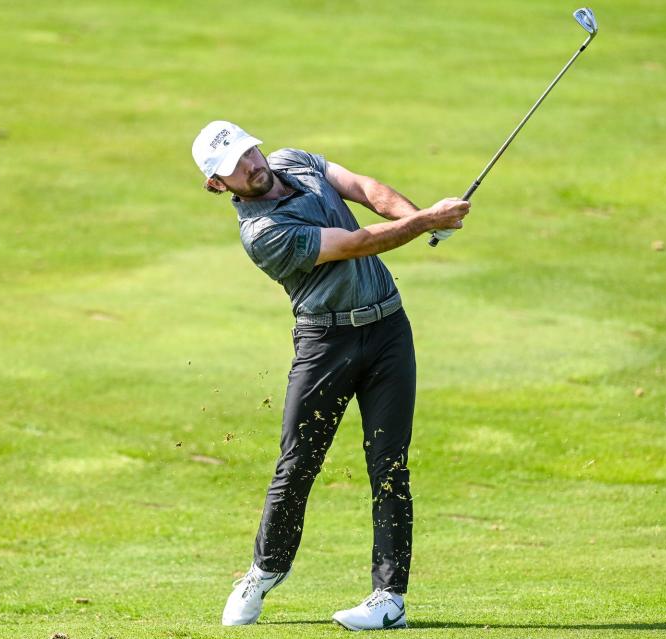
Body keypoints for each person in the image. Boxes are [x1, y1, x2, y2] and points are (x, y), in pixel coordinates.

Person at [191, 120, 469, 631]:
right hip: (326, 344)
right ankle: (263, 572)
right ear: (217, 184)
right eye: (234, 167)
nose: (251, 165)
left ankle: (389, 598)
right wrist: (427, 221)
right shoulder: (263, 234)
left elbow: (364, 190)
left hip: (388, 330)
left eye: (248, 151)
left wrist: (420, 217)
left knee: (390, 464)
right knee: (297, 466)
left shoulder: (296, 159)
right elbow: (357, 242)